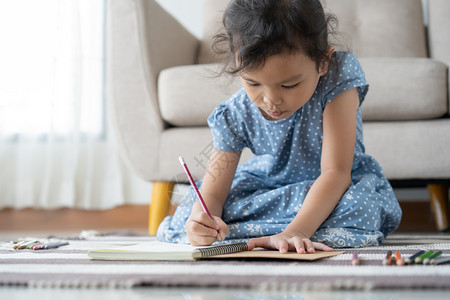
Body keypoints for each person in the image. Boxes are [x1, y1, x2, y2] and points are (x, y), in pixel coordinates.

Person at [157, 0, 402, 252]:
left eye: (289, 85)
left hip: (333, 184)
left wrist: (296, 232)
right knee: (190, 213)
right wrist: (204, 221)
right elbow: (215, 192)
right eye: (253, 83)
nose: (271, 100)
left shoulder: (337, 78)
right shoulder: (234, 113)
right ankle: (274, 234)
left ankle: (274, 232)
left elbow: (336, 173)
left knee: (358, 208)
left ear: (323, 62)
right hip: (269, 187)